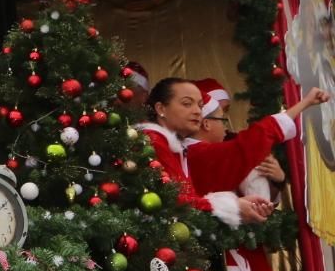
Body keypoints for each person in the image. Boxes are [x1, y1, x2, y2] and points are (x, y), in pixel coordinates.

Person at [140, 77, 327, 230]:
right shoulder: (153, 142)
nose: (197, 111)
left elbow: (187, 201)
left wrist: (236, 204)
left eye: (199, 105)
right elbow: (174, 203)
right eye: (187, 104)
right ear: (161, 108)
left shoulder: (173, 149)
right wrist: (233, 206)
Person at [195, 78, 289, 271]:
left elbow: (262, 198)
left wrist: (278, 180)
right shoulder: (215, 151)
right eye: (221, 113)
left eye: (226, 111)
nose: (226, 121)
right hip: (221, 241)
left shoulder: (235, 143)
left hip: (246, 239)